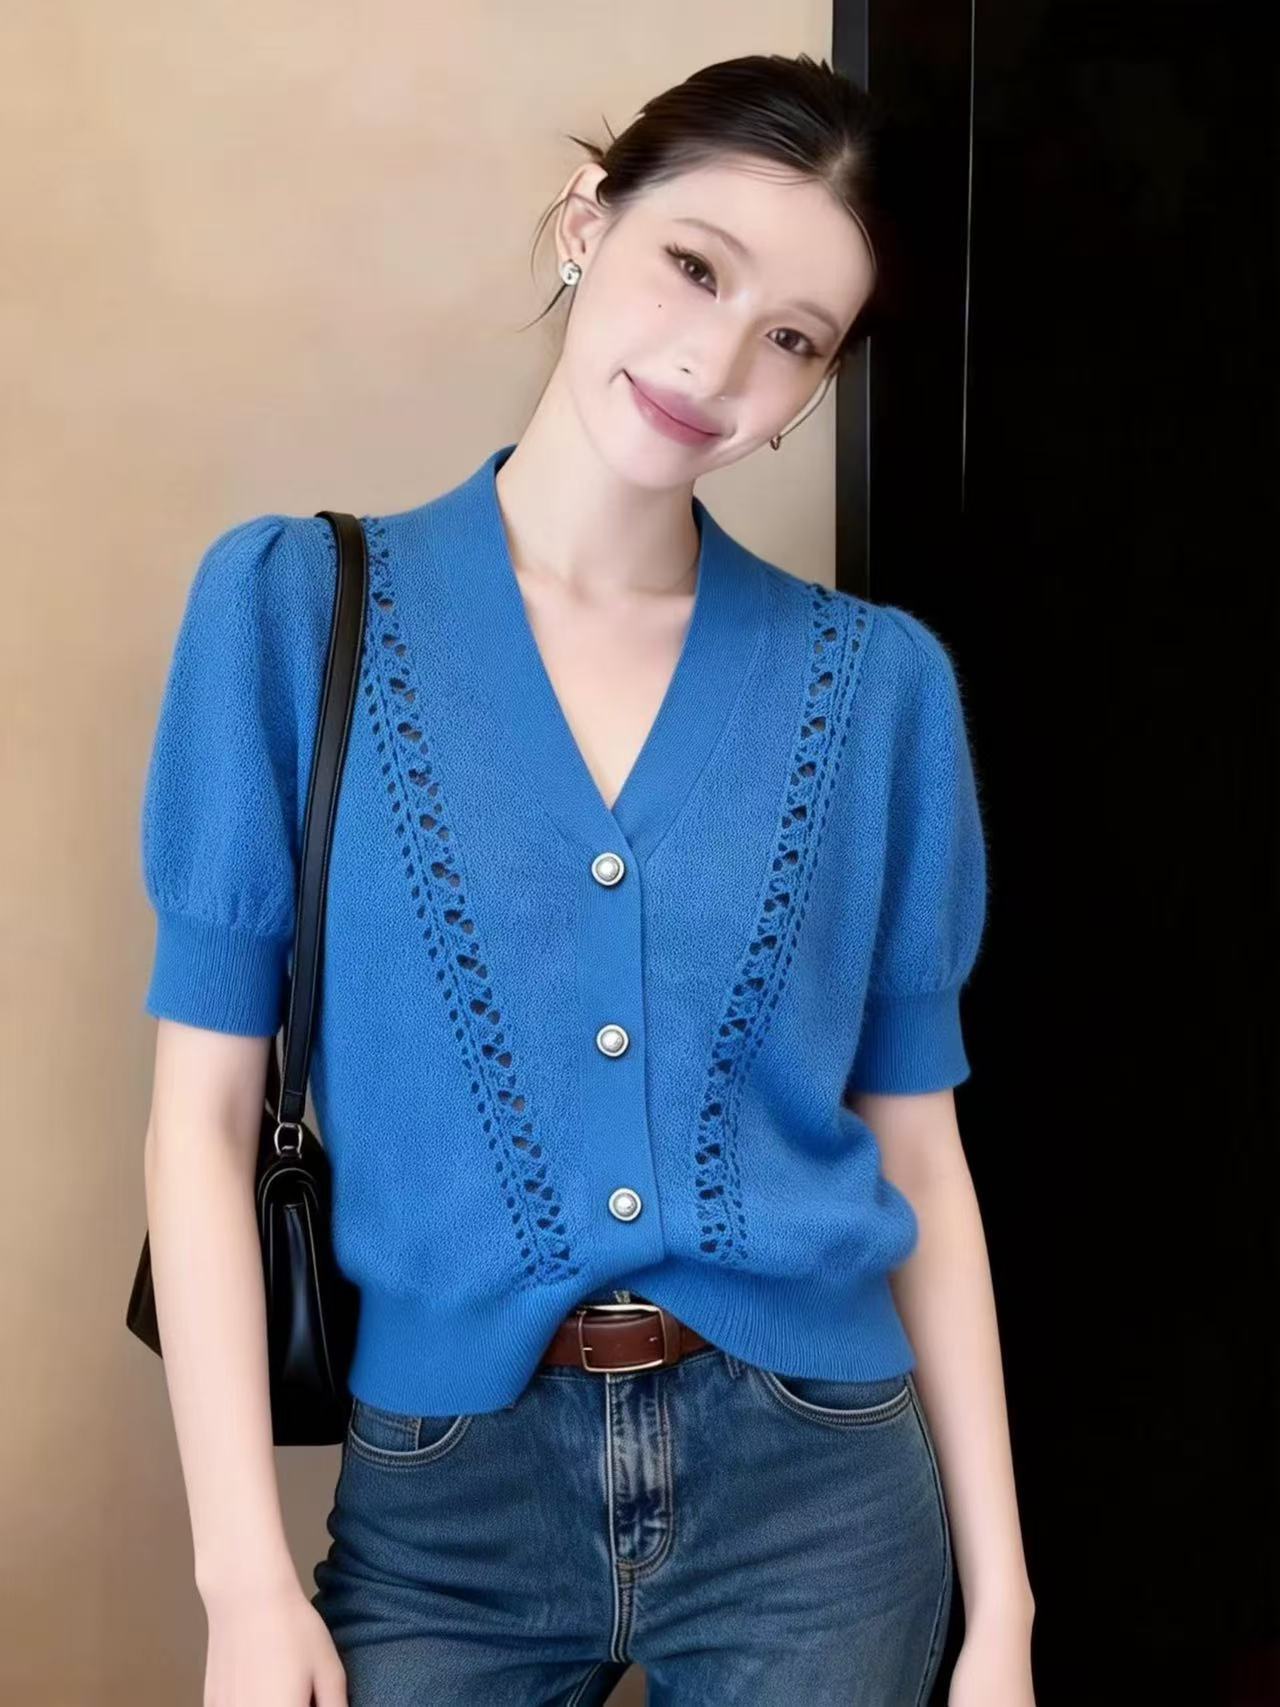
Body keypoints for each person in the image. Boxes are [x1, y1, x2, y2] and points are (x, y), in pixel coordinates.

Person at [139, 50, 1035, 1707]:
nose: (718, 364)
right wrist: (241, 1581)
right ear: (586, 221)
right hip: (444, 1500)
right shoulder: (291, 613)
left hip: (822, 1494)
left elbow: (923, 1154)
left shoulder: (878, 691)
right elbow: (200, 1119)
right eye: (695, 266)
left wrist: (1007, 1620)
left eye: (795, 340)